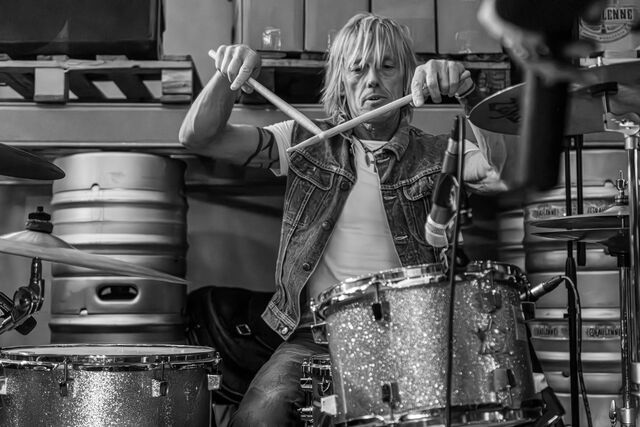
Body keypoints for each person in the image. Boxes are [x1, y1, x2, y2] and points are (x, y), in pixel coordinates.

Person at [180, 12, 509, 427]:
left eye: (387, 67)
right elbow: (198, 137)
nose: (372, 80)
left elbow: (502, 173)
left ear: (408, 81)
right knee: (258, 418)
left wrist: (469, 94)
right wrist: (227, 74)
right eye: (358, 68)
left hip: (415, 335)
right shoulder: (304, 142)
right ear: (341, 82)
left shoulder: (438, 153)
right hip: (315, 335)